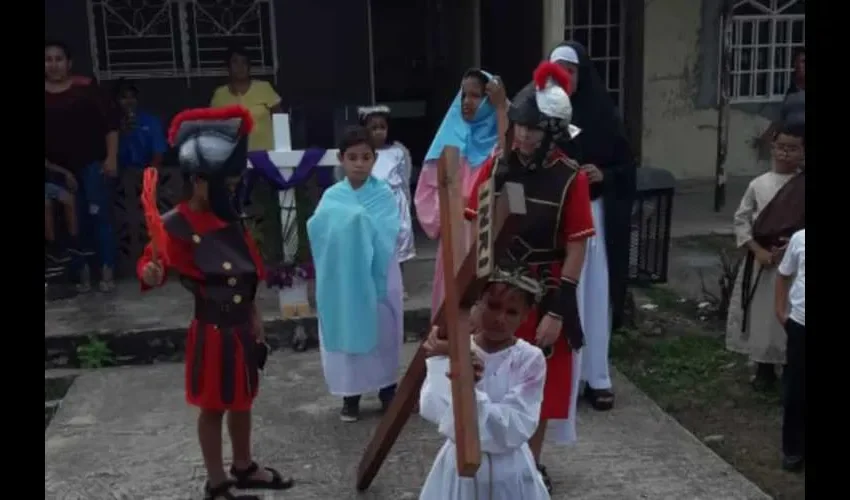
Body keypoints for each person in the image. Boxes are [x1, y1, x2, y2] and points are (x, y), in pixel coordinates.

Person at [137, 105, 293, 500]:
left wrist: (256, 315)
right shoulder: (176, 224)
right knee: (213, 407)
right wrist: (151, 273)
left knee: (243, 400)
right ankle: (217, 481)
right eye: (226, 182)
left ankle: (243, 466)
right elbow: (150, 262)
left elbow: (248, 273)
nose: (231, 189)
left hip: (241, 326)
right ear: (200, 182)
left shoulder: (231, 220)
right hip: (211, 329)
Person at [462, 61, 594, 493]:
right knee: (484, 375)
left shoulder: (569, 178)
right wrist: (471, 293)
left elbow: (577, 245)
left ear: (552, 132)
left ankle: (528, 466)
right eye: (518, 126)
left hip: (545, 288)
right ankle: (482, 461)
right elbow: (472, 222)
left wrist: (558, 310)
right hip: (496, 289)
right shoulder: (497, 165)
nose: (522, 136)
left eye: (533, 129)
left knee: (536, 385)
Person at [549, 42, 636, 411]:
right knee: (561, 293)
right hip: (554, 218)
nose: (565, 78)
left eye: (571, 70)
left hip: (595, 215)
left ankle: (596, 376)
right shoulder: (543, 113)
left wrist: (604, 174)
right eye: (558, 71)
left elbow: (626, 167)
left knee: (595, 295)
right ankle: (562, 375)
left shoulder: (603, 114)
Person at [419, 266, 550, 500]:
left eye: (511, 312)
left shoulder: (530, 360)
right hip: (460, 474)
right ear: (478, 302)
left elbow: (514, 425)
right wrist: (449, 359)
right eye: (493, 306)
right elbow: (433, 407)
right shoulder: (454, 348)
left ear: (526, 315)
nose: (499, 319)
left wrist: (471, 391)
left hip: (510, 474)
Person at [307, 126, 404, 422]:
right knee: (348, 333)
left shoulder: (384, 194)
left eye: (366, 157)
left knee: (383, 333)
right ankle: (350, 396)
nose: (359, 163)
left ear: (374, 159)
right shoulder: (332, 196)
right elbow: (319, 229)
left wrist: (356, 224)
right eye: (352, 157)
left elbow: (391, 230)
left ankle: (388, 390)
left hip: (378, 276)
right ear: (341, 159)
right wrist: (352, 223)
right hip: (344, 280)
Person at [414, 69, 509, 317]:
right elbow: (426, 191)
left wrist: (501, 110)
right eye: (464, 95)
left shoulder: (498, 143)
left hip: (488, 239)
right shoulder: (449, 141)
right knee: (453, 313)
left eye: (476, 96)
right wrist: (448, 213)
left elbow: (509, 162)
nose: (467, 102)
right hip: (456, 239)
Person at [726, 122, 805, 391]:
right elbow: (741, 220)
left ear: (802, 152)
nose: (785, 154)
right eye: (781, 147)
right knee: (764, 316)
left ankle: (791, 366)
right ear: (772, 148)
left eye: (792, 149)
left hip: (796, 262)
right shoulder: (758, 184)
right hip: (764, 261)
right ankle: (764, 367)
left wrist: (793, 249)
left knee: (792, 313)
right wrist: (756, 249)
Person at [45, 40, 120, 293]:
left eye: (58, 59)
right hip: (57, 170)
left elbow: (110, 124)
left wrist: (111, 158)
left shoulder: (86, 88)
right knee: (72, 222)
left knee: (99, 217)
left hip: (92, 165)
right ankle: (82, 273)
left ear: (69, 63)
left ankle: (107, 271)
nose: (53, 65)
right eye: (48, 60)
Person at [211, 45, 284, 263]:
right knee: (236, 206)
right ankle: (242, 255)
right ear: (228, 68)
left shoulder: (264, 89)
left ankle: (277, 254)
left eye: (244, 62)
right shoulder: (220, 95)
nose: (240, 67)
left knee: (274, 204)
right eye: (235, 62)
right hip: (236, 160)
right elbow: (215, 127)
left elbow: (279, 119)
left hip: (267, 157)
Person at [359, 105, 416, 297]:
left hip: (395, 202)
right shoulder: (364, 153)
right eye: (373, 128)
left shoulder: (397, 151)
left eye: (382, 127)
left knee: (399, 240)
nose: (378, 132)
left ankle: (399, 285)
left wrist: (406, 202)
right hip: (374, 204)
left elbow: (403, 178)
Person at [775, 228, 805, 472]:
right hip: (800, 325)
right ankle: (793, 450)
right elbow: (783, 274)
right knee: (796, 389)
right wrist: (780, 310)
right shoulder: (800, 239)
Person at [115, 79, 167, 170]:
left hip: (146, 169)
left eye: (132, 97)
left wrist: (148, 174)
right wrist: (122, 133)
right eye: (124, 97)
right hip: (119, 171)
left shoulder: (151, 121)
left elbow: (159, 153)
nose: (129, 101)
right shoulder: (111, 122)